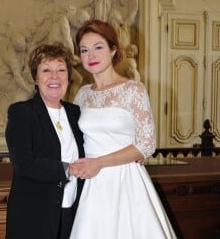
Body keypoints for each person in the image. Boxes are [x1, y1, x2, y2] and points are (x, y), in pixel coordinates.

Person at [69, 20, 176, 238]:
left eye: (98, 47)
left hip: (126, 180)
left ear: (113, 49)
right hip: (91, 183)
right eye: (84, 50)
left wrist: (100, 163)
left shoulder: (133, 89)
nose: (91, 55)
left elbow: (147, 144)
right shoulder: (82, 94)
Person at [5, 42, 85, 239]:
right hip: (35, 217)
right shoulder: (21, 113)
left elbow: (95, 147)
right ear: (36, 77)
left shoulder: (76, 113)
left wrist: (128, 158)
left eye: (61, 69)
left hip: (74, 212)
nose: (54, 77)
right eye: (46, 70)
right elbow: (25, 164)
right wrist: (69, 169)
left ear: (68, 76)